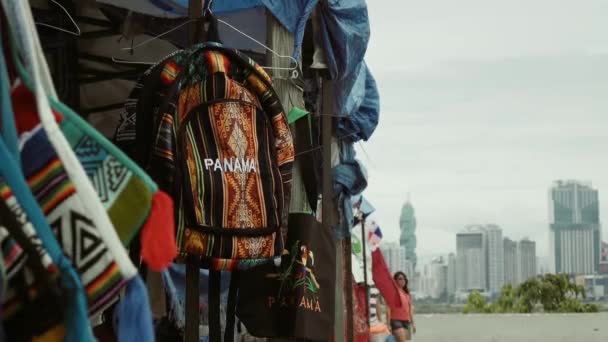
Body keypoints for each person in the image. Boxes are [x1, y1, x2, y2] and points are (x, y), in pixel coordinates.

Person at [372, 250, 415, 342]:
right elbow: (388, 308)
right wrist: (388, 324)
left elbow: (410, 309)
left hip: (406, 321)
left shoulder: (407, 294)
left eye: (404, 279)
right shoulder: (393, 292)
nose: (402, 280)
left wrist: (413, 323)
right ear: (395, 281)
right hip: (396, 320)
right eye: (400, 279)